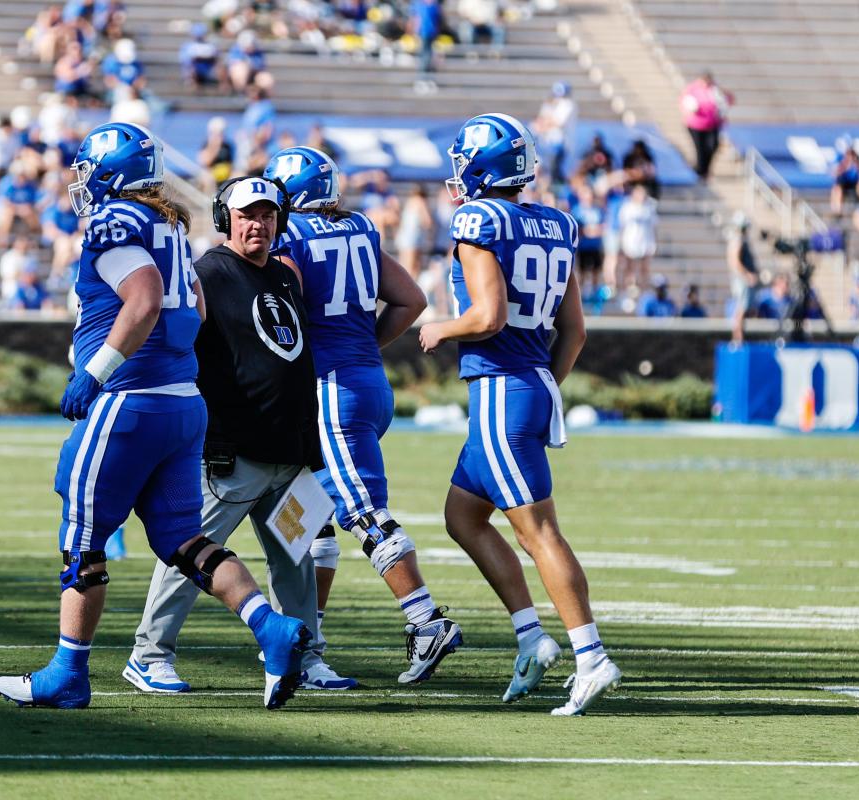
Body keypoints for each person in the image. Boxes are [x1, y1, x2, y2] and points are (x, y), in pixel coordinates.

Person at [0, 122, 312, 711]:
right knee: (181, 538)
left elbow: (143, 300)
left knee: (83, 540)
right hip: (181, 404)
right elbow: (189, 306)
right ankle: (270, 626)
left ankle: (68, 673)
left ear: (113, 173)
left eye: (92, 169)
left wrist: (98, 368)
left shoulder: (117, 220)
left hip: (129, 404)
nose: (84, 181)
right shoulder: (166, 224)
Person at [417, 113, 622, 716]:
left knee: (537, 532)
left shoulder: (478, 220)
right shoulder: (557, 223)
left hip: (503, 390)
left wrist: (440, 329)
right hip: (524, 385)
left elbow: (488, 316)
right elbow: (575, 331)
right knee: (463, 515)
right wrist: (542, 386)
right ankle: (533, 636)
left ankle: (591, 654)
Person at [125, 175, 339, 699]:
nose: (258, 225)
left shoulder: (284, 277)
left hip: (287, 451)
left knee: (297, 559)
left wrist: (309, 449)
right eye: (247, 215)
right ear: (225, 219)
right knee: (191, 552)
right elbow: (177, 348)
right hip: (233, 450)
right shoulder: (208, 274)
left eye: (267, 215)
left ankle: (305, 658)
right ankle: (149, 654)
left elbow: (292, 358)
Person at [264, 146, 462, 686]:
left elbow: (286, 313)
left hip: (328, 390)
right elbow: (411, 299)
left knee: (363, 512)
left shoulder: (292, 239)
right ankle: (308, 646)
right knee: (306, 518)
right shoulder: (358, 228)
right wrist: (363, 345)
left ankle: (425, 620)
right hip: (365, 381)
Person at [680, 71, 732, 180]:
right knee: (700, 148)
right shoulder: (692, 89)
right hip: (696, 124)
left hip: (713, 123)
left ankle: (705, 168)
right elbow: (685, 102)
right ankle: (700, 170)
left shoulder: (715, 90)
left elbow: (727, 101)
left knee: (713, 146)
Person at [727, 210, 759, 345]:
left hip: (742, 280)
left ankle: (740, 337)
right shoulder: (737, 240)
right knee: (741, 308)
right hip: (742, 281)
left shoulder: (738, 239)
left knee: (746, 309)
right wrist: (747, 275)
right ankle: (737, 339)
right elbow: (734, 261)